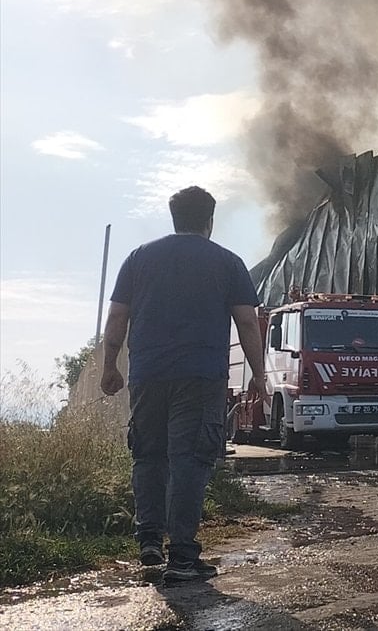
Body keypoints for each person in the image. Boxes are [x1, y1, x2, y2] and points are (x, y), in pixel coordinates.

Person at [100, 186, 266, 583]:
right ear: (209, 220)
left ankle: (149, 542)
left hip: (147, 375)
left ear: (173, 217)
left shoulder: (138, 258)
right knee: (190, 460)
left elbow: (118, 317)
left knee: (148, 456)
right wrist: (259, 375)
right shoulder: (227, 262)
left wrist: (110, 366)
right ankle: (183, 558)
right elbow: (246, 322)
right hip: (200, 376)